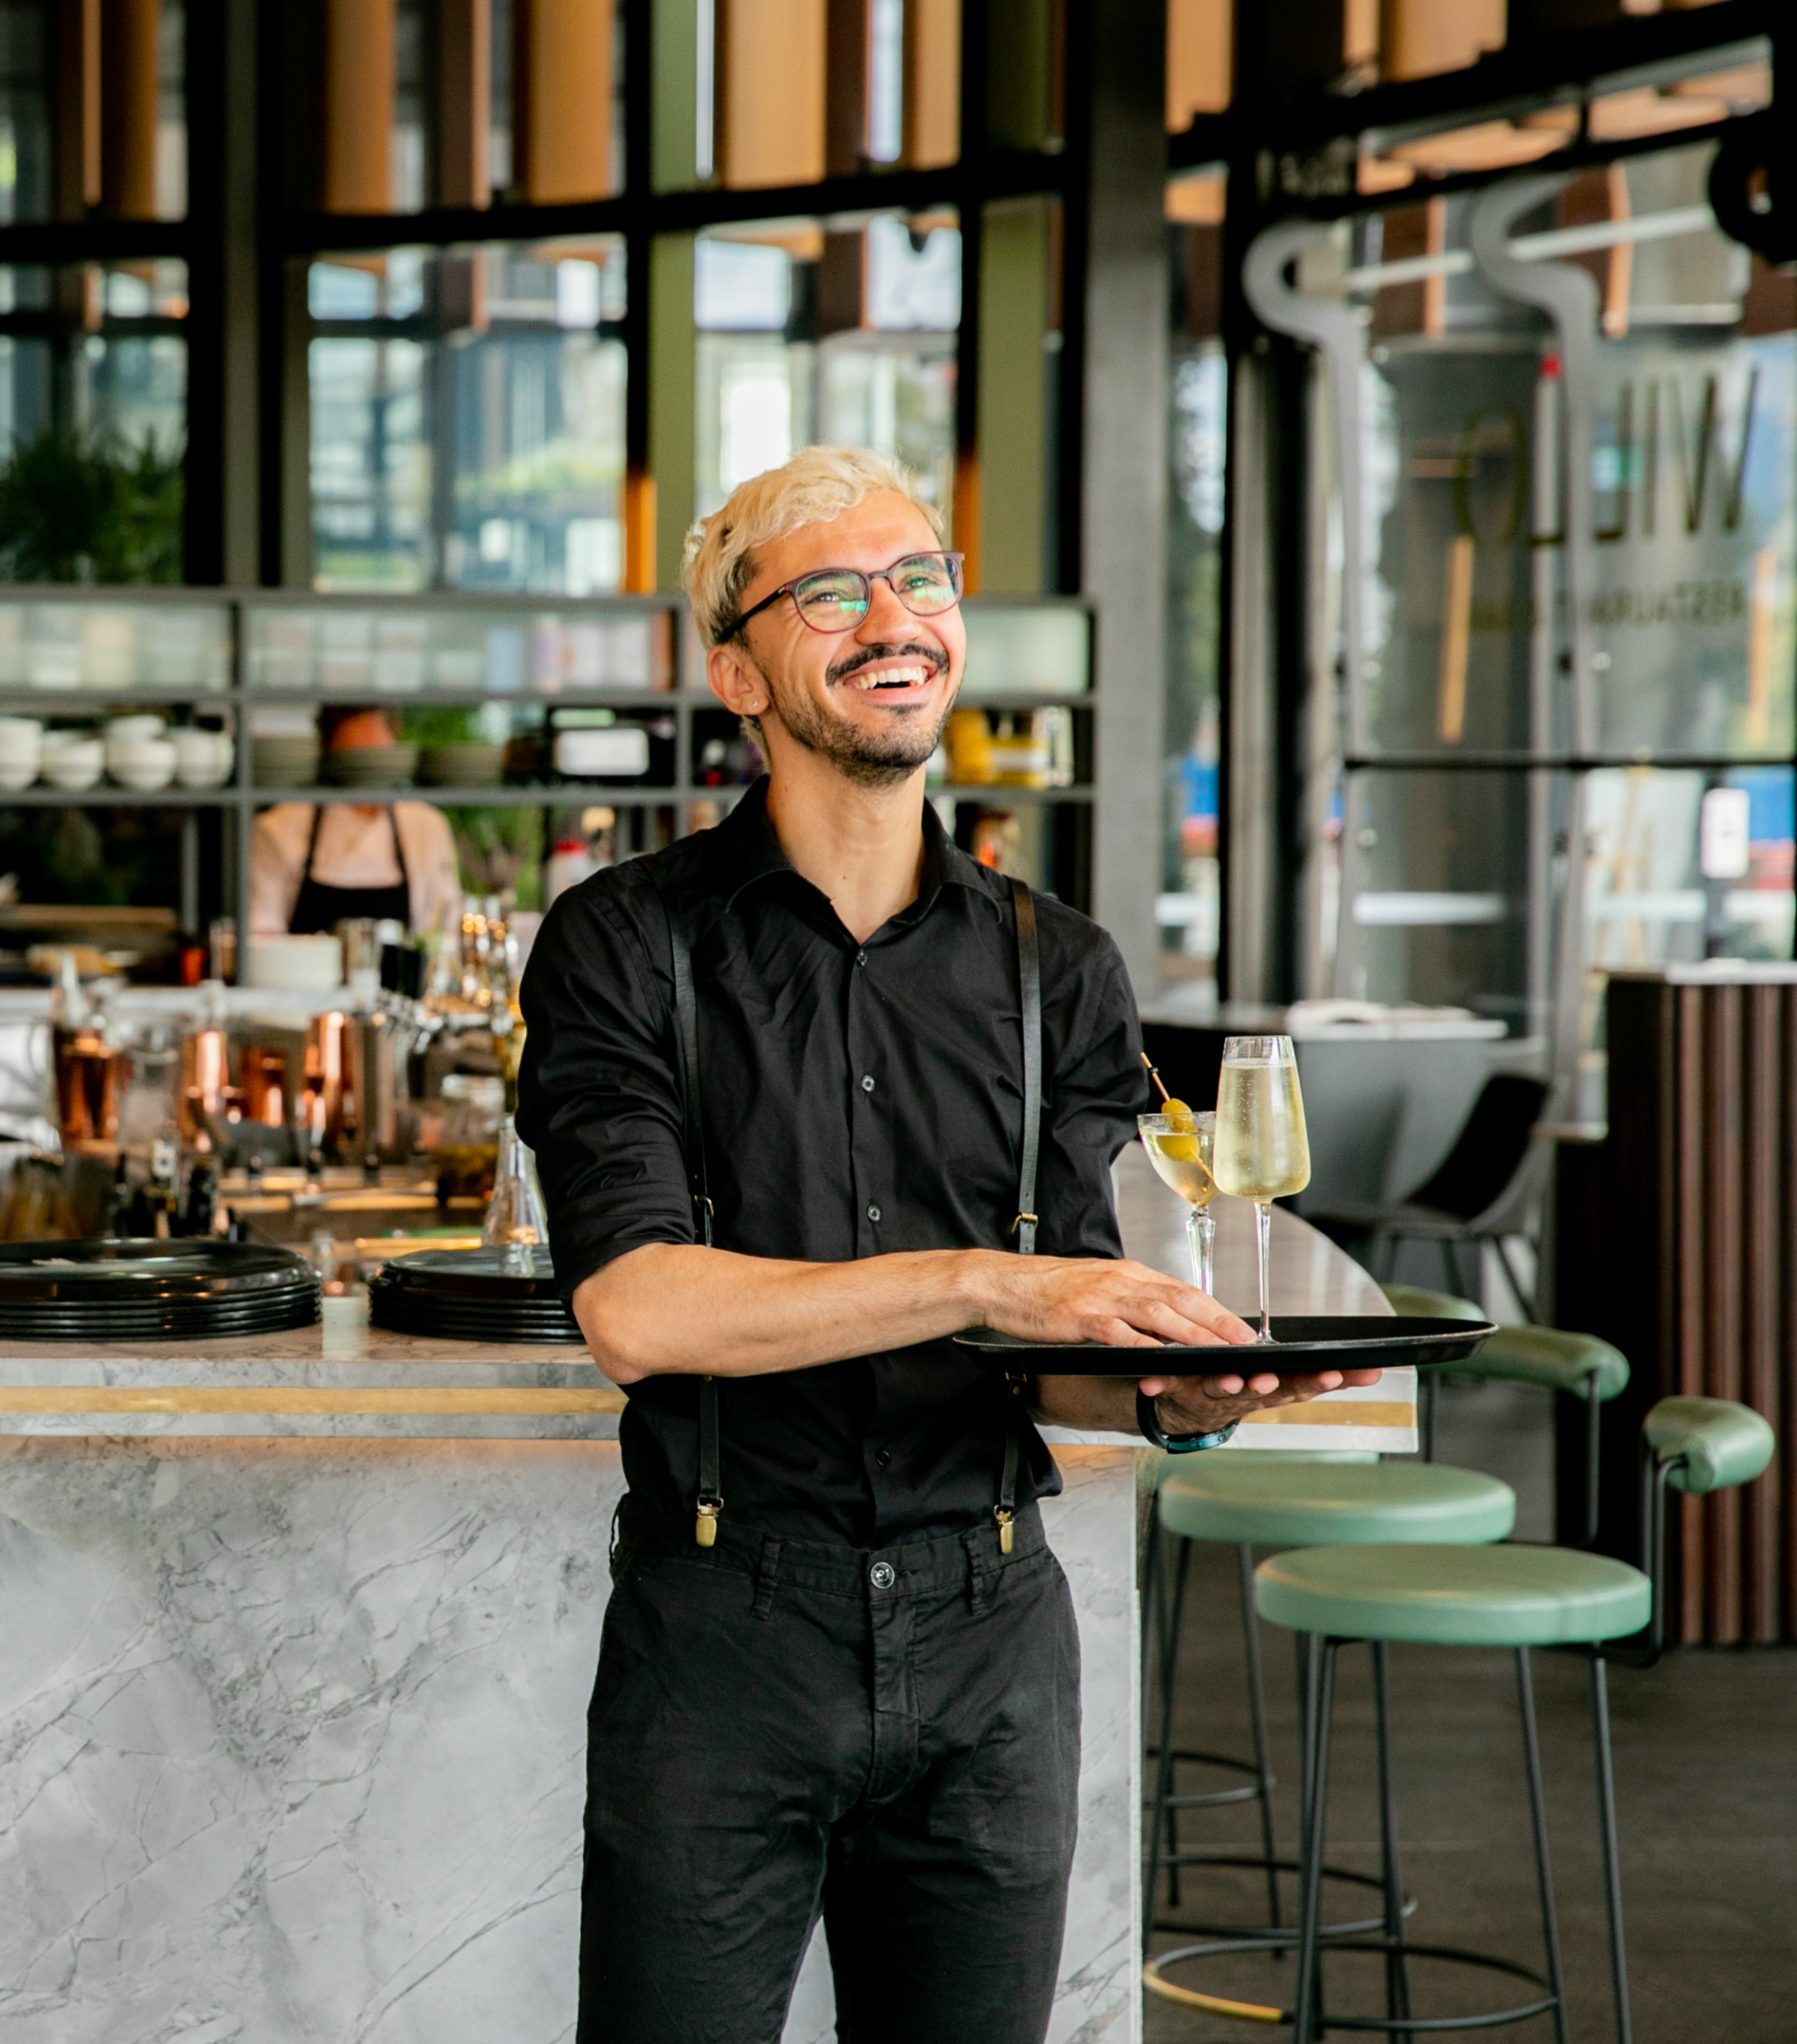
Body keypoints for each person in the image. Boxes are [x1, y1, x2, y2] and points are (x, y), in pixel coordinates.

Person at [516, 446, 1381, 2044]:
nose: (891, 618)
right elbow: (638, 1308)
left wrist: (1183, 1391)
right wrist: (991, 1277)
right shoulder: (625, 944)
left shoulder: (1064, 968)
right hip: (723, 1645)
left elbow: (1056, 1372)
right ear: (739, 673)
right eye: (830, 592)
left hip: (993, 1638)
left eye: (920, 580)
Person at [248, 707, 462, 936]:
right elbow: (261, 931)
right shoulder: (279, 826)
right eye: (356, 759)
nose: (366, 770)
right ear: (329, 753)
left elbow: (444, 930)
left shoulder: (426, 826)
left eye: (375, 757)